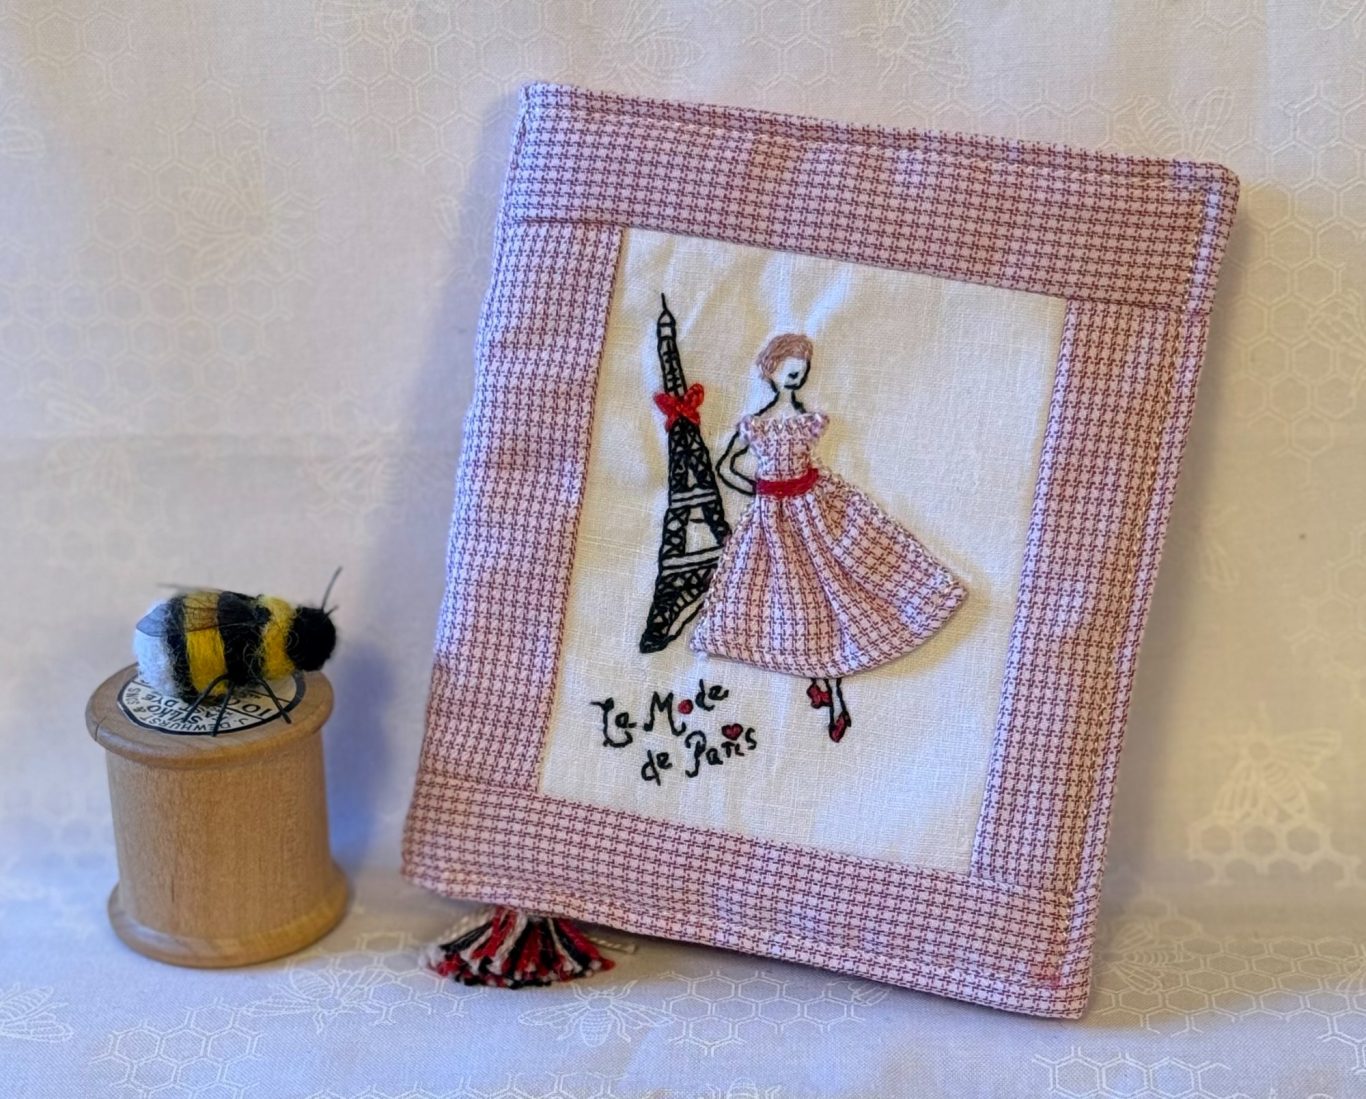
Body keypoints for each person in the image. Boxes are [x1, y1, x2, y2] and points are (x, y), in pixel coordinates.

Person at [694, 334, 967, 743]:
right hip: (773, 519)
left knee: (835, 581)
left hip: (814, 512)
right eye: (790, 371)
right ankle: (821, 679)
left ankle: (833, 677)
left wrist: (794, 488)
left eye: (801, 373)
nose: (796, 378)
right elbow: (726, 466)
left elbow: (774, 465)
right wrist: (762, 491)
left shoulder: (806, 420)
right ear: (771, 371)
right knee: (786, 596)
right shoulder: (756, 425)